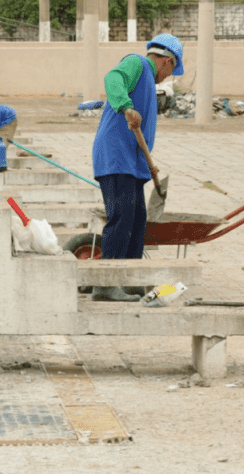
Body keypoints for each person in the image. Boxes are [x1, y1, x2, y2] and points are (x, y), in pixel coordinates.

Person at [90, 33, 184, 302]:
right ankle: (106, 284)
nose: (167, 77)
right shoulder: (138, 64)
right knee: (121, 219)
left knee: (136, 220)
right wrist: (125, 106)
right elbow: (113, 79)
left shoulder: (149, 85)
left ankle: (129, 281)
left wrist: (147, 165)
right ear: (166, 61)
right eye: (171, 70)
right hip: (116, 157)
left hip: (132, 162)